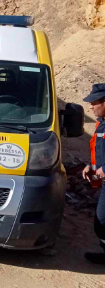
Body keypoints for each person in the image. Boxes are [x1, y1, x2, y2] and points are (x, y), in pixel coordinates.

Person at [82, 83, 105, 265]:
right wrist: (91, 165)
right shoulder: (101, 123)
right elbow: (99, 150)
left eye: (94, 102)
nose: (91, 107)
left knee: (102, 220)